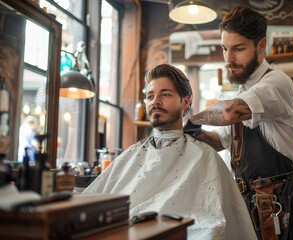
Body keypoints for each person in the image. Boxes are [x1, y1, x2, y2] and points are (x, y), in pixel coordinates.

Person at [83, 64, 257, 240]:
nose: (155, 101)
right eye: (150, 96)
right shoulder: (133, 154)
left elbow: (213, 223)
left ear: (185, 101)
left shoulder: (203, 155)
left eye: (165, 94)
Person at [184, 6, 293, 240]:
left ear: (261, 45)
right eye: (224, 49)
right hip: (247, 200)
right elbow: (221, 143)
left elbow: (230, 112)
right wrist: (191, 133)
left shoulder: (276, 82)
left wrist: (192, 119)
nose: (228, 59)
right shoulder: (244, 90)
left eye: (238, 49)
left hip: (278, 201)